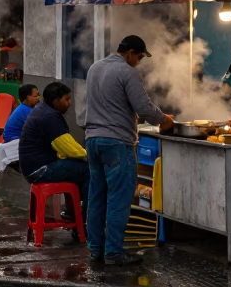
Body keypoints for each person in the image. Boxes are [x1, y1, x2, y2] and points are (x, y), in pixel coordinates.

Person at [78, 35, 174, 267]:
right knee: (118, 199)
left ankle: (95, 250)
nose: (139, 62)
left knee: (96, 198)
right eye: (139, 57)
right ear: (129, 52)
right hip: (117, 143)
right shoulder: (127, 72)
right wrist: (164, 119)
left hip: (92, 140)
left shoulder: (95, 68)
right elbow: (142, 107)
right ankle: (113, 253)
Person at [18, 81, 89, 213]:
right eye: (66, 99)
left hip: (32, 167)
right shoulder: (50, 117)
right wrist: (91, 155)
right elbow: (70, 148)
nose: (70, 103)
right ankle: (85, 219)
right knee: (88, 171)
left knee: (77, 165)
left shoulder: (41, 109)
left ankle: (73, 213)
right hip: (40, 170)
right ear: (55, 101)